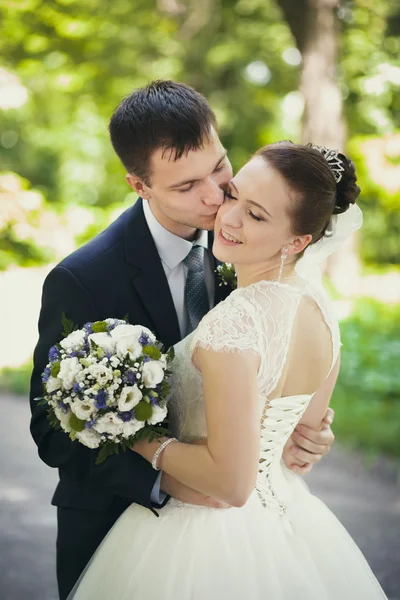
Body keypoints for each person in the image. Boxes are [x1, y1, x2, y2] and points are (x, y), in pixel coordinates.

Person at [29, 81, 335, 600]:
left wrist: (304, 431)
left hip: (238, 542)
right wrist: (168, 480)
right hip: (115, 526)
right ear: (139, 185)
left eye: (220, 168)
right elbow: (51, 430)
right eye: (186, 186)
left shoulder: (251, 243)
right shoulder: (83, 279)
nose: (216, 197)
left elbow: (272, 366)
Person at [68, 140, 387, 599]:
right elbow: (304, 436)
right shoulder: (319, 305)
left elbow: (231, 485)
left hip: (202, 537)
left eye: (256, 215)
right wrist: (310, 438)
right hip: (290, 519)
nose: (229, 216)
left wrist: (132, 432)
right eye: (234, 194)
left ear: (298, 241)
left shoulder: (233, 324)